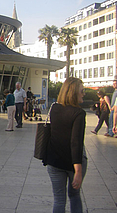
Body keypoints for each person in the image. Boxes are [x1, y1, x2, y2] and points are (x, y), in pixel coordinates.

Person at [44, 77, 87, 213]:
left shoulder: (55, 108)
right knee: (74, 196)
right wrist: (78, 171)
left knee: (59, 199)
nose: (84, 93)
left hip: (54, 160)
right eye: (82, 90)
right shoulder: (79, 113)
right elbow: (76, 142)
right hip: (73, 163)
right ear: (74, 92)